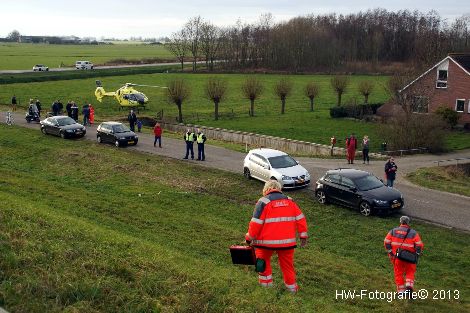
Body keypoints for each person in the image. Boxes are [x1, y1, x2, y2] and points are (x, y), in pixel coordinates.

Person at [245, 180, 308, 292]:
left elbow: (256, 223)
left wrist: (249, 238)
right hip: (287, 243)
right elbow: (300, 219)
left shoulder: (263, 202)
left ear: (266, 189)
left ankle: (266, 288)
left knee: (262, 263)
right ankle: (292, 290)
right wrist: (303, 236)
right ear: (279, 189)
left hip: (265, 244)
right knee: (287, 267)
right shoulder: (290, 201)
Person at [384, 216, 424, 295]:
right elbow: (419, 245)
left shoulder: (393, 231)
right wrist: (417, 254)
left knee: (398, 273)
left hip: (397, 256)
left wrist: (391, 253)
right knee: (410, 271)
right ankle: (409, 287)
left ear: (400, 222)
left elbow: (386, 242)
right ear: (408, 223)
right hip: (410, 257)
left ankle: (401, 292)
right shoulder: (413, 233)